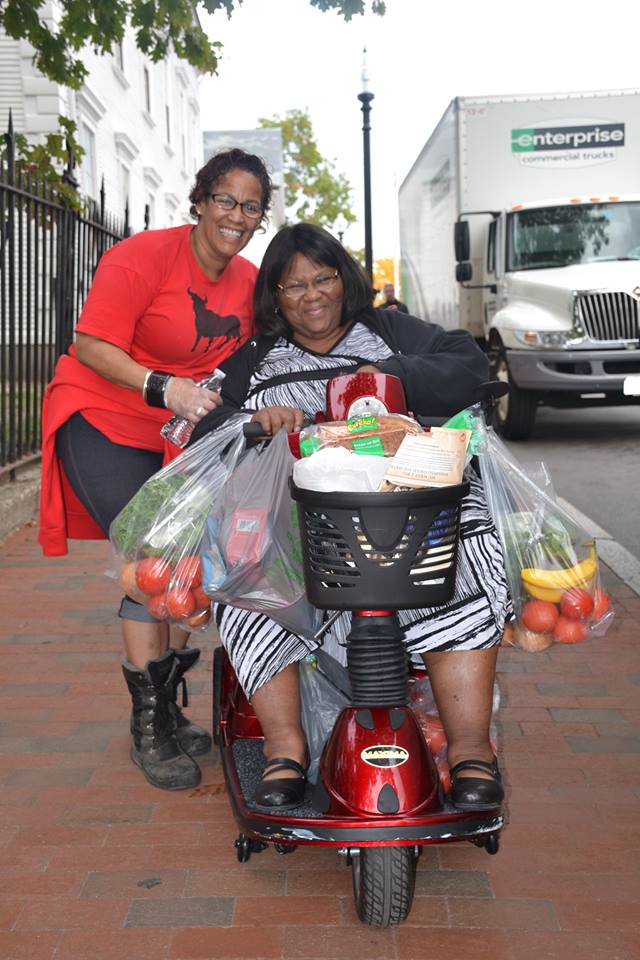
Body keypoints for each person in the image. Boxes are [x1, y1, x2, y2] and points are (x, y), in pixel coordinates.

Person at [191, 223, 512, 812]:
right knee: (243, 580)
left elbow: (466, 362)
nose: (312, 295)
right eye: (293, 286)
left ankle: (471, 752)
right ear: (275, 297)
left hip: (403, 514)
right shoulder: (257, 360)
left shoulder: (387, 330)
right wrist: (255, 423)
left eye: (324, 278)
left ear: (344, 280)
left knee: (467, 553)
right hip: (296, 528)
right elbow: (202, 425)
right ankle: (285, 749)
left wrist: (392, 383)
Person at [38, 148, 273, 791]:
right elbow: (90, 343)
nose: (236, 214)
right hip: (104, 417)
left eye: (250, 206)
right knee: (155, 562)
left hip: (180, 438)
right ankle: (150, 727)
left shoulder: (250, 283)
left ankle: (166, 710)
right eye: (225, 199)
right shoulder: (142, 258)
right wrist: (160, 385)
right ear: (199, 201)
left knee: (185, 567)